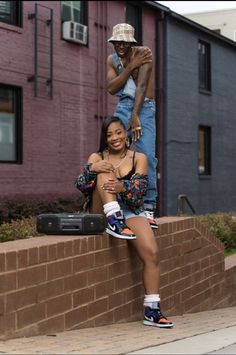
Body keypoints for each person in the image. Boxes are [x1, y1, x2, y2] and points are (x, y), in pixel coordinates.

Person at [74, 116, 173, 328]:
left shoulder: (139, 158)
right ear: (105, 137)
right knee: (104, 169)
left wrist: (122, 187)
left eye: (118, 132)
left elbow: (139, 193)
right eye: (109, 135)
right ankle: (113, 219)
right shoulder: (97, 155)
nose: (114, 138)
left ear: (125, 133)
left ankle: (152, 309)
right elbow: (81, 185)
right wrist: (93, 169)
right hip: (100, 209)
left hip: (129, 209)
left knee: (152, 253)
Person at [107, 23, 158, 229]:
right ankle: (117, 202)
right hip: (123, 105)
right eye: (116, 41)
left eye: (124, 42)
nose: (120, 45)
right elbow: (111, 88)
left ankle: (148, 205)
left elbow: (143, 86)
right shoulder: (112, 59)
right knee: (114, 150)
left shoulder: (144, 53)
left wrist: (135, 115)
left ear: (131, 42)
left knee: (146, 154)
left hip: (144, 106)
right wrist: (129, 66)